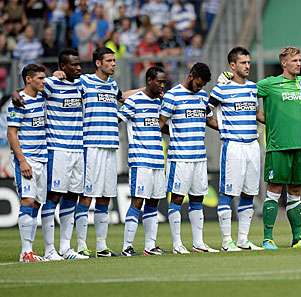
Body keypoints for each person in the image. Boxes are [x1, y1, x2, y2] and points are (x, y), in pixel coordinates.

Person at [257, 47, 301, 249]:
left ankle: (298, 239)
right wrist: (261, 116)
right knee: (274, 190)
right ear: (284, 63)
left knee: (295, 191)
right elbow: (244, 94)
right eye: (294, 60)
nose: (298, 63)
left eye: (300, 60)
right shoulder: (269, 84)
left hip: (299, 147)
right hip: (278, 147)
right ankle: (267, 238)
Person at [159, 62, 219, 254]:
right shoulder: (172, 95)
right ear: (191, 76)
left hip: (199, 157)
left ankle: (198, 243)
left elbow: (209, 119)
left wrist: (227, 128)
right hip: (179, 157)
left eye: (203, 85)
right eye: (199, 83)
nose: (201, 88)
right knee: (176, 198)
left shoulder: (202, 96)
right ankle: (177, 244)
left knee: (197, 198)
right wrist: (176, 134)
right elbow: (160, 123)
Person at [209, 47, 265, 251]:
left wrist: (277, 124)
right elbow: (206, 111)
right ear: (232, 66)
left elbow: (258, 113)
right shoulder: (221, 88)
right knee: (228, 192)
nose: (248, 66)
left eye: (249, 62)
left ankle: (243, 239)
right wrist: (223, 128)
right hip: (233, 146)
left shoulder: (253, 88)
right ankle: (226, 241)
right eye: (243, 63)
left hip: (253, 145)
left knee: (249, 193)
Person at [39, 49, 88, 260]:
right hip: (57, 149)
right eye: (74, 65)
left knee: (72, 196)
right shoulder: (50, 84)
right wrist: (14, 95)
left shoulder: (82, 84)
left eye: (79, 64)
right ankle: (49, 249)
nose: (78, 68)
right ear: (62, 67)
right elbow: (27, 90)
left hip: (78, 149)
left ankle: (66, 248)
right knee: (54, 196)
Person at [74, 47, 123, 257]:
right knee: (87, 197)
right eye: (109, 60)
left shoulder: (113, 85)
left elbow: (123, 97)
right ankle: (81, 245)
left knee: (105, 198)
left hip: (110, 146)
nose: (113, 63)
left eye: (114, 60)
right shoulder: (84, 82)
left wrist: (144, 89)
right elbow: (62, 85)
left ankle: (101, 246)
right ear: (98, 63)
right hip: (91, 146)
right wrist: (57, 74)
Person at [119, 66, 168, 256]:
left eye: (164, 82)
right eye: (159, 81)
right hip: (140, 160)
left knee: (154, 203)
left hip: (157, 159)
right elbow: (118, 118)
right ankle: (127, 246)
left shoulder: (161, 104)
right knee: (138, 201)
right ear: (149, 81)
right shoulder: (134, 102)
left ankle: (150, 246)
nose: (162, 85)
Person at [7, 64, 48, 262]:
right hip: (27, 159)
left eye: (44, 78)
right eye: (40, 78)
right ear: (28, 79)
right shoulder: (18, 102)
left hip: (43, 159)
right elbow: (11, 133)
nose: (43, 81)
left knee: (37, 204)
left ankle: (29, 251)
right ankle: (25, 251)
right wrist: (22, 160)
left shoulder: (42, 97)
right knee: (27, 201)